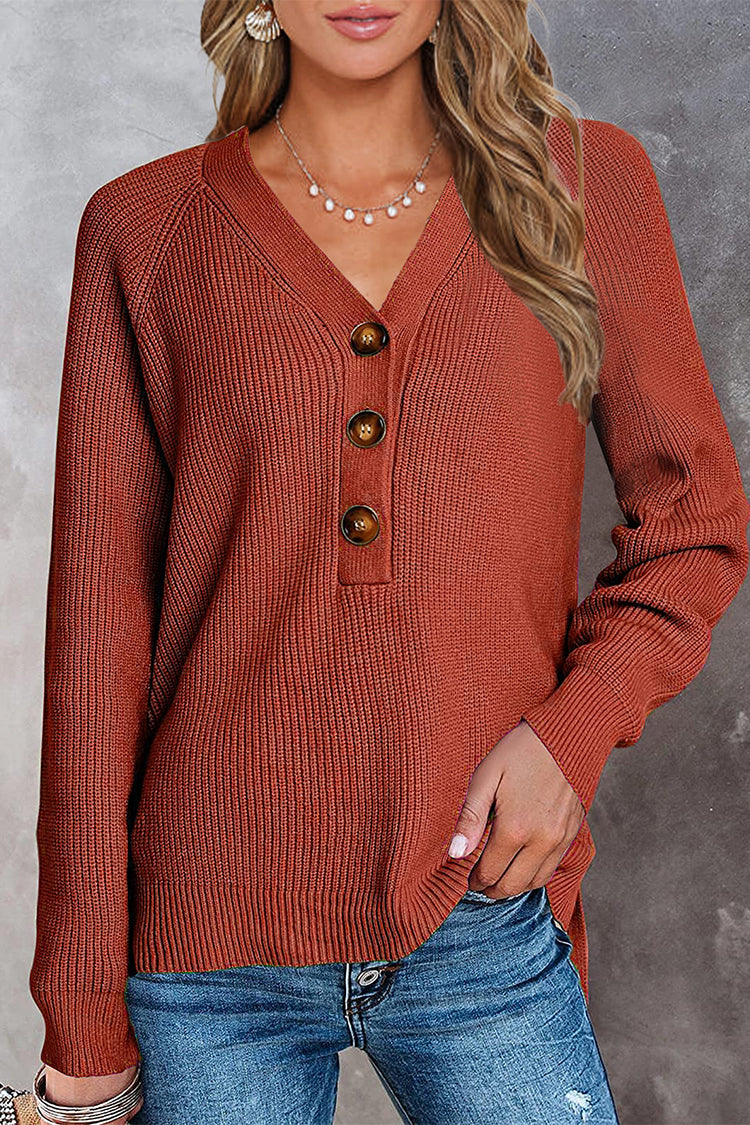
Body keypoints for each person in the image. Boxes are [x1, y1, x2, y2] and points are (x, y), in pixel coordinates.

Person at [29, 1, 749, 1123]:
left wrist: (569, 735)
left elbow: (694, 518)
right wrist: (79, 1015)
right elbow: (95, 640)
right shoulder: (146, 229)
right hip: (207, 945)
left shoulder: (578, 183)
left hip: (479, 909)